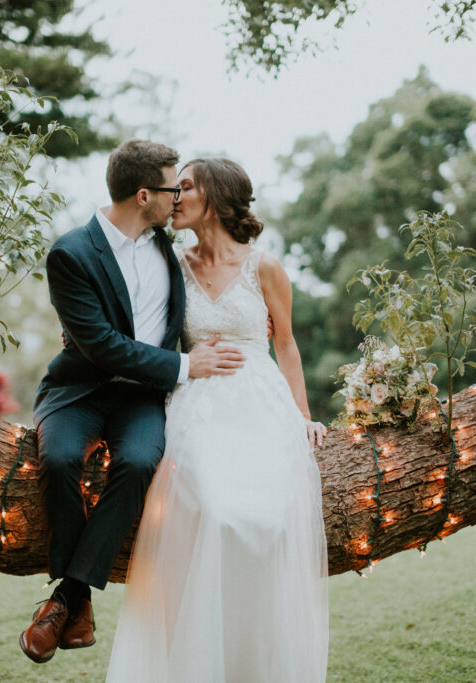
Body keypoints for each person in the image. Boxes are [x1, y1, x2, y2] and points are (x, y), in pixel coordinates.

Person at [20, 140, 246, 664]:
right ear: (144, 195)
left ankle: (66, 599)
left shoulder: (170, 249)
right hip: (79, 388)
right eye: (173, 188)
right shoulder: (70, 253)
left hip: (142, 396)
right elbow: (100, 345)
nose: (179, 198)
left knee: (142, 461)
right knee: (57, 459)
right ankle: (75, 602)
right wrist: (186, 366)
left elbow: (219, 281)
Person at [106, 157, 330, 682]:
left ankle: (253, 661)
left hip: (262, 403)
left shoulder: (265, 266)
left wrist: (303, 414)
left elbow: (286, 343)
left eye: (185, 187)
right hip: (197, 402)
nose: (174, 196)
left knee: (270, 522)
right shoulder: (171, 264)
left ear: (218, 196)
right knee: (215, 511)